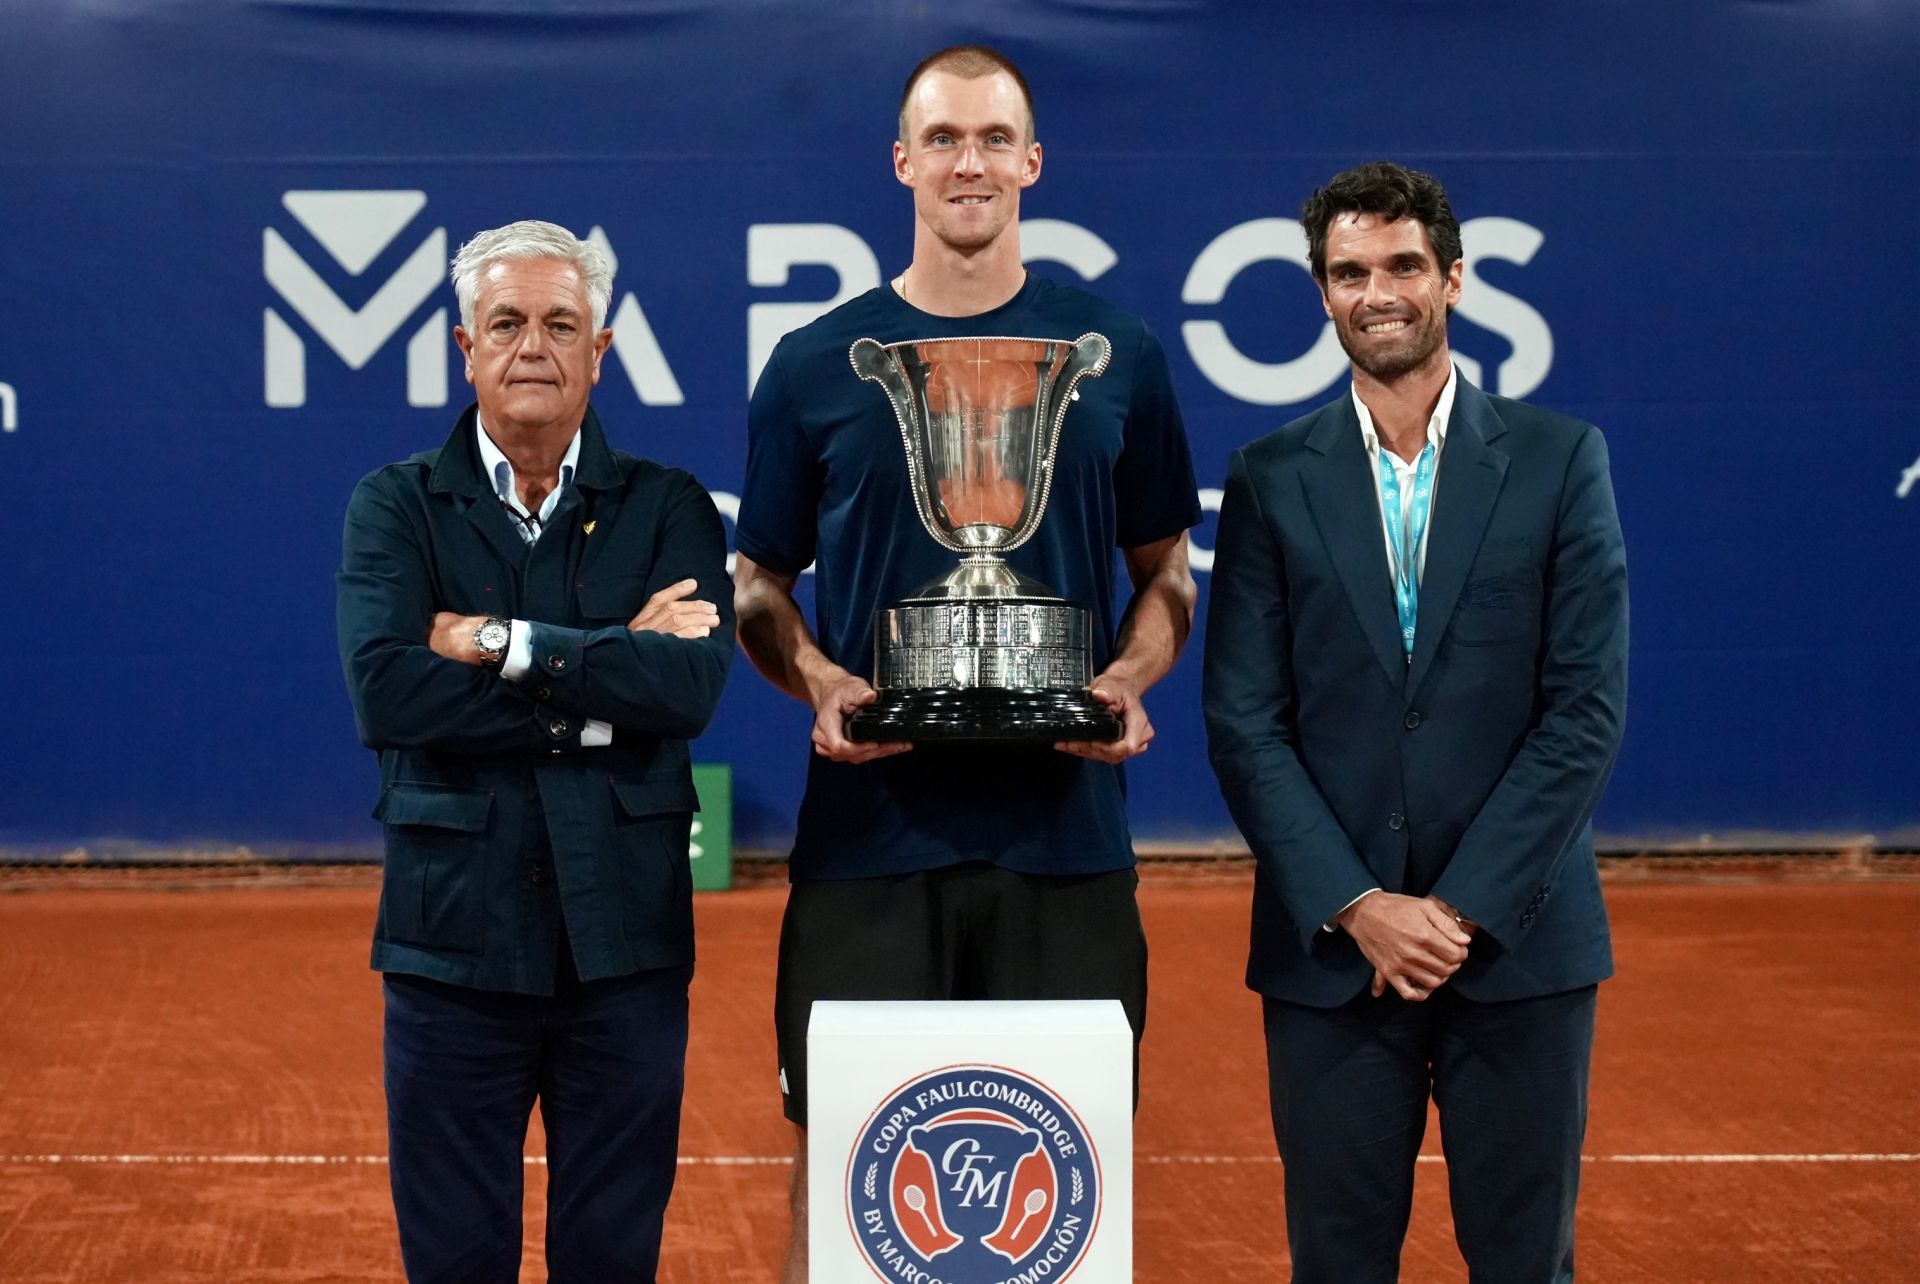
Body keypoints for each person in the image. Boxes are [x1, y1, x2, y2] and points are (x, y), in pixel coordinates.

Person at [732, 44, 1201, 1281]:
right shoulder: (813, 365)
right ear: (902, 163)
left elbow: (1167, 575)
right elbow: (757, 587)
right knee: (845, 1163)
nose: (970, 161)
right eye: (943, 139)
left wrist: (1130, 680)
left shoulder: (1120, 355)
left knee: (1066, 1171)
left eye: (994, 138)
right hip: (870, 840)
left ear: (1034, 163)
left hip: (1065, 839)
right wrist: (823, 682)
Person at [1202, 162, 1628, 1282]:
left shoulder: (1558, 460)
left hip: (1519, 950)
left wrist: (1457, 910)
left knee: (1524, 1263)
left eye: (1401, 266)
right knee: (1336, 1265)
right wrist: (1359, 906)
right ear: (1322, 292)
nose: (1376, 291)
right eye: (1349, 272)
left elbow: (1584, 710)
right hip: (1333, 964)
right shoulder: (1267, 478)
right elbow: (1244, 722)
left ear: (1453, 279)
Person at [335, 219, 732, 1283]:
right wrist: (603, 690)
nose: (533, 346)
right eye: (505, 322)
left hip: (627, 953)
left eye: (562, 324)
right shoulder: (394, 507)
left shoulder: (672, 507)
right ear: (466, 348)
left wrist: (496, 643)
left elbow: (687, 686)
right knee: (456, 1259)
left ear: (601, 351)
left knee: (612, 1257)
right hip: (452, 947)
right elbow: (388, 691)